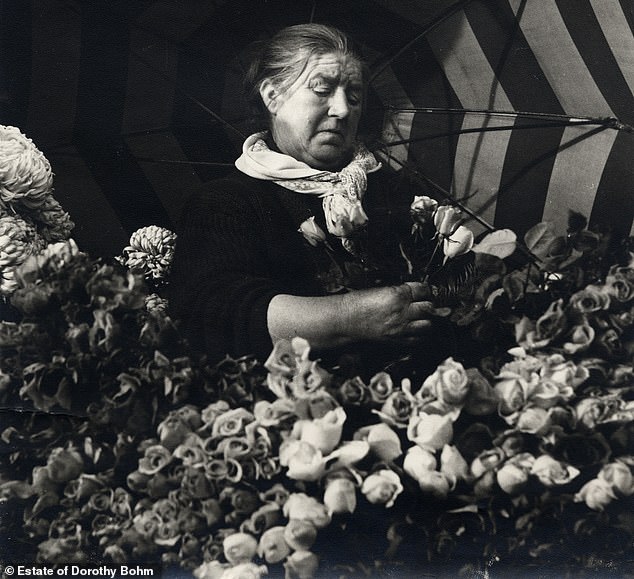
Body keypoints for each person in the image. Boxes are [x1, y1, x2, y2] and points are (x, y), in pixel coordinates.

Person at [169, 23, 441, 373]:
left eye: (354, 95)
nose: (342, 109)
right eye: (322, 89)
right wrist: (349, 317)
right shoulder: (226, 201)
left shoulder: (396, 190)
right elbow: (207, 315)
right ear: (272, 96)